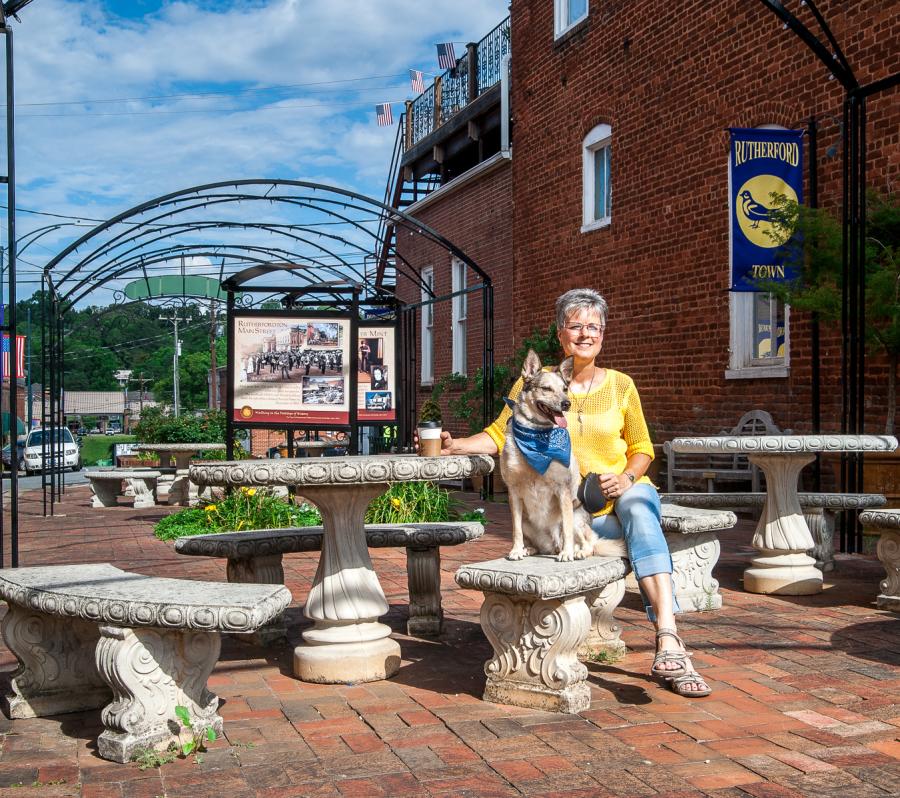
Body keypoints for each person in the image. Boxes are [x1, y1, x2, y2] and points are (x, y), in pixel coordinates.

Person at [432, 288, 710, 697]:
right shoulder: (537, 382)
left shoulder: (620, 386)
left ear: (603, 334)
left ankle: (668, 637)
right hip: (573, 518)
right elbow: (498, 433)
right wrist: (456, 446)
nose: (585, 334)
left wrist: (628, 478)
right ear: (561, 335)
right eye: (576, 326)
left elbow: (643, 449)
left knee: (637, 509)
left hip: (620, 499)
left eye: (593, 327)